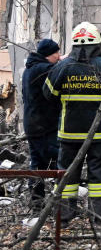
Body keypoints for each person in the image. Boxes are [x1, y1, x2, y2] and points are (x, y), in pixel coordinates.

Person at [43, 23, 101, 225]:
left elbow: (48, 94)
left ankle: (63, 219)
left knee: (66, 177)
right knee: (99, 178)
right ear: (97, 43)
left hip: (69, 134)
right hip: (99, 136)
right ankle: (99, 220)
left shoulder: (62, 67)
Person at [21, 39, 62, 208]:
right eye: (57, 54)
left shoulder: (30, 68)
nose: (59, 57)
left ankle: (36, 199)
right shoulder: (42, 69)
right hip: (42, 125)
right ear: (49, 55)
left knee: (37, 162)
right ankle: (60, 200)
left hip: (33, 124)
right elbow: (58, 71)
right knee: (57, 157)